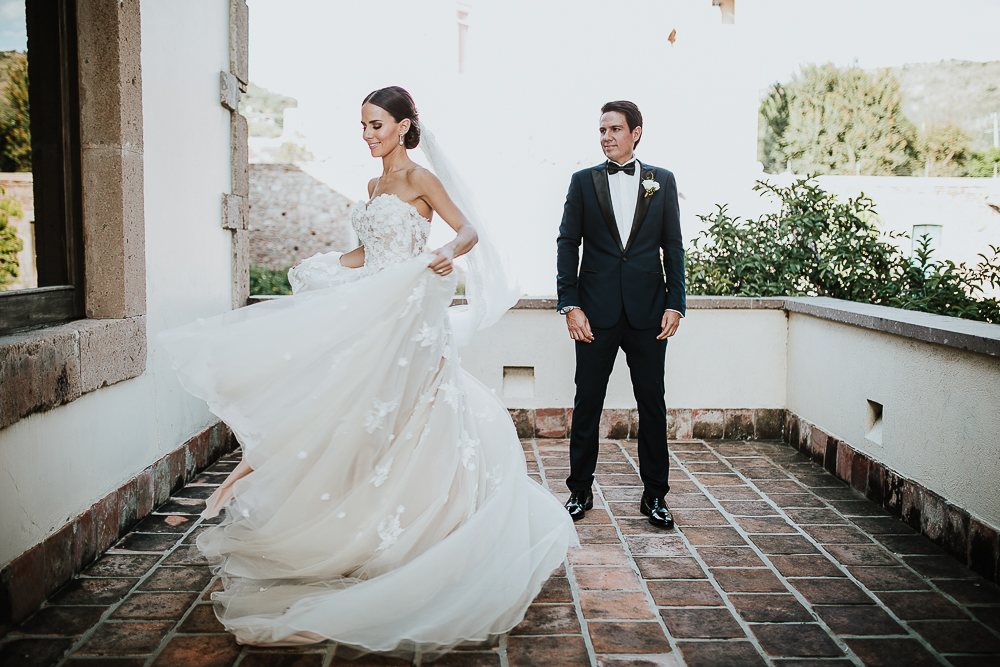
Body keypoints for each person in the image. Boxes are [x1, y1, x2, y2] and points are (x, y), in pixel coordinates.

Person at [160, 86, 575, 654]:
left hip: (410, 321)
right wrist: (325, 266)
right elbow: (366, 256)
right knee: (357, 418)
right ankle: (359, 524)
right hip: (376, 316)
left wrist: (445, 253)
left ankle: (431, 533)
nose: (368, 134)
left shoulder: (418, 179)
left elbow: (469, 230)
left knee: (415, 419)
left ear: (405, 126)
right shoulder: (375, 186)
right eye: (362, 125)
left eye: (377, 124)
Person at [555, 100, 686, 528]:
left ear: (636, 132)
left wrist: (675, 303)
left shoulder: (661, 181)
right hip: (595, 313)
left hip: (649, 312)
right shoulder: (583, 181)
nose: (606, 136)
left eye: (614, 129)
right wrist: (570, 305)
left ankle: (656, 496)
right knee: (587, 402)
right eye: (602, 130)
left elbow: (673, 247)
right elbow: (567, 244)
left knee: (652, 404)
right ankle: (579, 491)